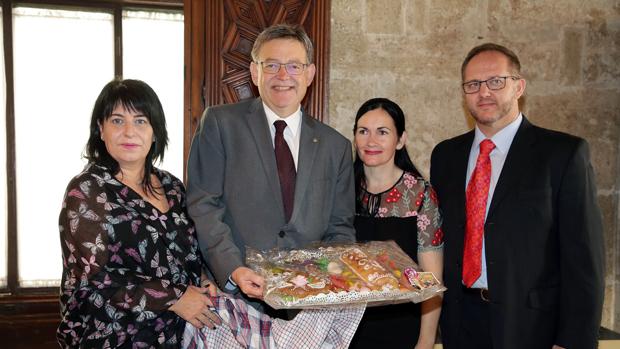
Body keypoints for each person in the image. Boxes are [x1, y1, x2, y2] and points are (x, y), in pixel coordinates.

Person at [430, 43, 605, 349]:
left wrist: (573, 340)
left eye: (496, 81)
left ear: (519, 87)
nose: (484, 92)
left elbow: (584, 259)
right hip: (460, 323)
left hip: (531, 327)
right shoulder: (445, 156)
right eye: (473, 85)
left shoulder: (562, 154)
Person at [186, 24, 355, 310]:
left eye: (294, 66)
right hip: (235, 299)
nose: (283, 76)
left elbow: (340, 227)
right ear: (254, 72)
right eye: (272, 65)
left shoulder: (335, 146)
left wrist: (325, 279)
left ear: (310, 74)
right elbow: (203, 205)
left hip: (309, 304)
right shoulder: (220, 124)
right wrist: (233, 269)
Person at [57, 79, 221, 348]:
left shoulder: (173, 186)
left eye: (141, 121)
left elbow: (188, 252)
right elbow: (94, 283)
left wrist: (203, 278)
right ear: (101, 129)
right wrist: (174, 298)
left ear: (155, 132)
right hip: (113, 337)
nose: (129, 132)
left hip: (179, 335)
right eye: (118, 121)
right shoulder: (87, 190)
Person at [349, 98, 443, 349]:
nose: (371, 141)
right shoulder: (341, 189)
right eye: (363, 131)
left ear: (400, 140)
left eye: (382, 132)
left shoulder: (420, 194)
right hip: (345, 329)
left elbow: (431, 279)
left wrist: (425, 341)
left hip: (402, 328)